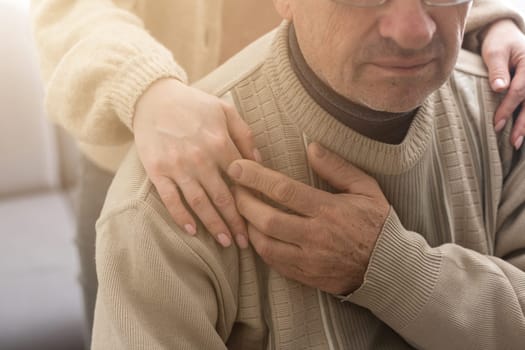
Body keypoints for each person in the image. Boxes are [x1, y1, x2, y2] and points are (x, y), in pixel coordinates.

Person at [30, 0, 525, 345]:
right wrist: (144, 87)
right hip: (162, 136)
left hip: (341, 81)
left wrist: (485, 18)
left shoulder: (499, 119)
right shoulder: (147, 210)